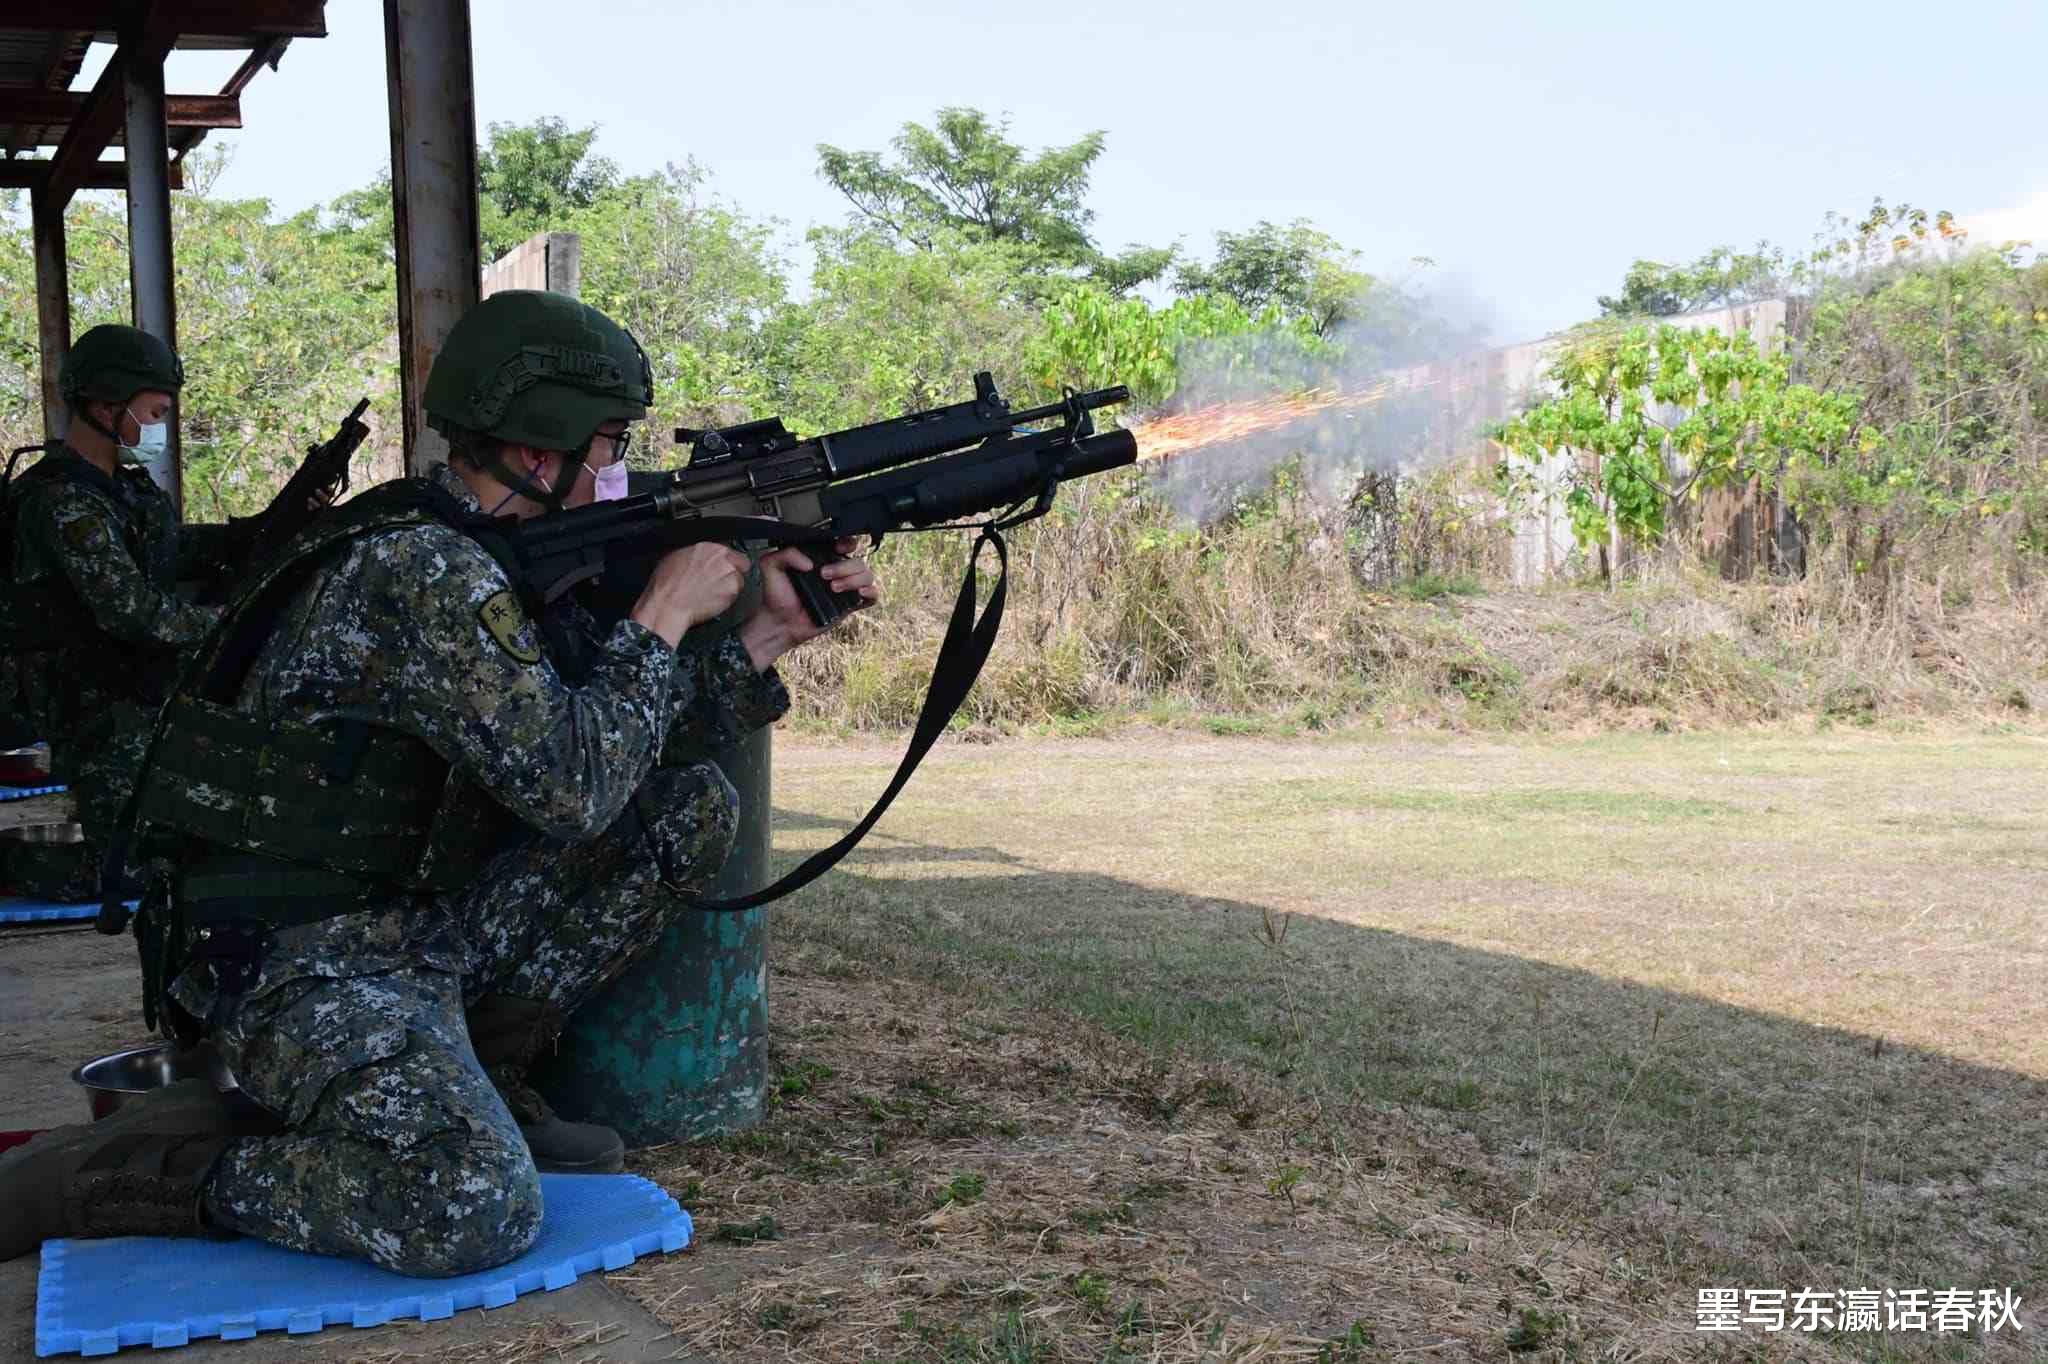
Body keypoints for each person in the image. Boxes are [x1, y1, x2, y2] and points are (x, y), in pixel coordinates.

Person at [0, 290, 878, 1275]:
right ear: (539, 451)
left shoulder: (480, 551)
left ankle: (481, 1072)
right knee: (471, 1205)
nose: (618, 472)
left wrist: (764, 635)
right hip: (295, 959)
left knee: (685, 809)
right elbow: (572, 786)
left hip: (401, 921)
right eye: (608, 444)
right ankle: (145, 1169)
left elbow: (611, 748)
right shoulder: (422, 567)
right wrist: (664, 611)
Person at [0, 325, 235, 901]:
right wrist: (230, 619)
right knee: (132, 872)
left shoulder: (121, 489)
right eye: (153, 411)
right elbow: (133, 613)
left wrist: (252, 535)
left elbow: (172, 549)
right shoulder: (63, 501)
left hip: (129, 687)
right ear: (106, 406)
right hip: (88, 699)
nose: (159, 426)